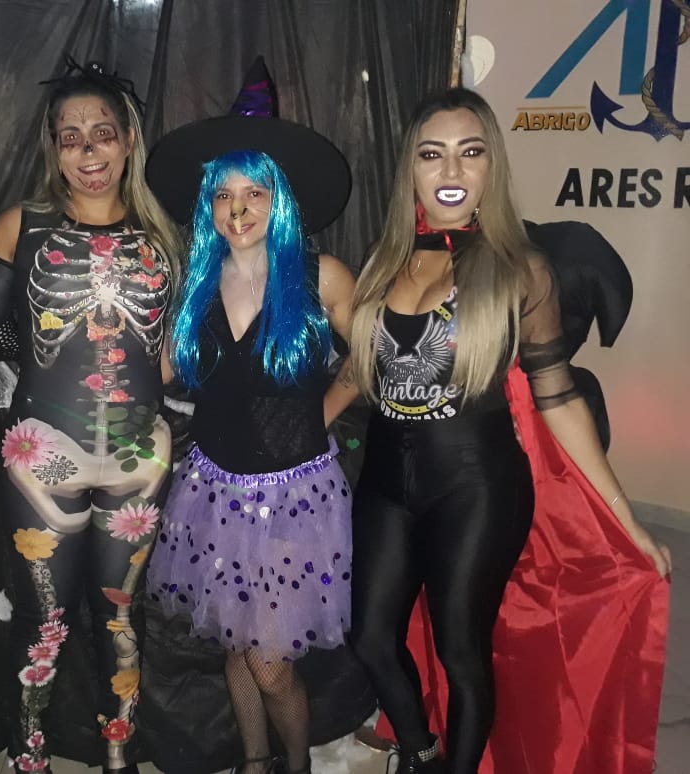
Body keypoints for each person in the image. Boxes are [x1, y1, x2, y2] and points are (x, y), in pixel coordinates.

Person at [325, 87, 672, 774]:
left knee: (461, 651)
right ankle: (421, 751)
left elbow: (557, 395)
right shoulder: (385, 258)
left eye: (470, 152)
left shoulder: (520, 269)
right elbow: (364, 368)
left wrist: (625, 518)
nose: (451, 171)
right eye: (432, 154)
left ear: (492, 166)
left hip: (477, 485)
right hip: (387, 480)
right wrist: (305, 428)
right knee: (370, 638)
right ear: (411, 168)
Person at [144, 59, 355, 774]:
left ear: (279, 199)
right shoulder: (197, 286)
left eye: (254, 192)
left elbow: (373, 357)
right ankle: (256, 761)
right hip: (213, 493)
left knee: (270, 662)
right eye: (223, 194)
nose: (238, 209)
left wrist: (324, 411)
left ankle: (295, 764)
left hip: (295, 500)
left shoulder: (322, 277)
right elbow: (155, 371)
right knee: (236, 646)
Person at [0, 61, 182, 774]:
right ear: (53, 148)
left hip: (139, 462)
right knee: (43, 621)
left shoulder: (166, 233)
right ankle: (27, 758)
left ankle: (119, 757)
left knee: (122, 617)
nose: (89, 151)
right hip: (43, 458)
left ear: (129, 139)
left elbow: (181, 344)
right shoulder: (21, 226)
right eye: (71, 137)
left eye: (103, 133)